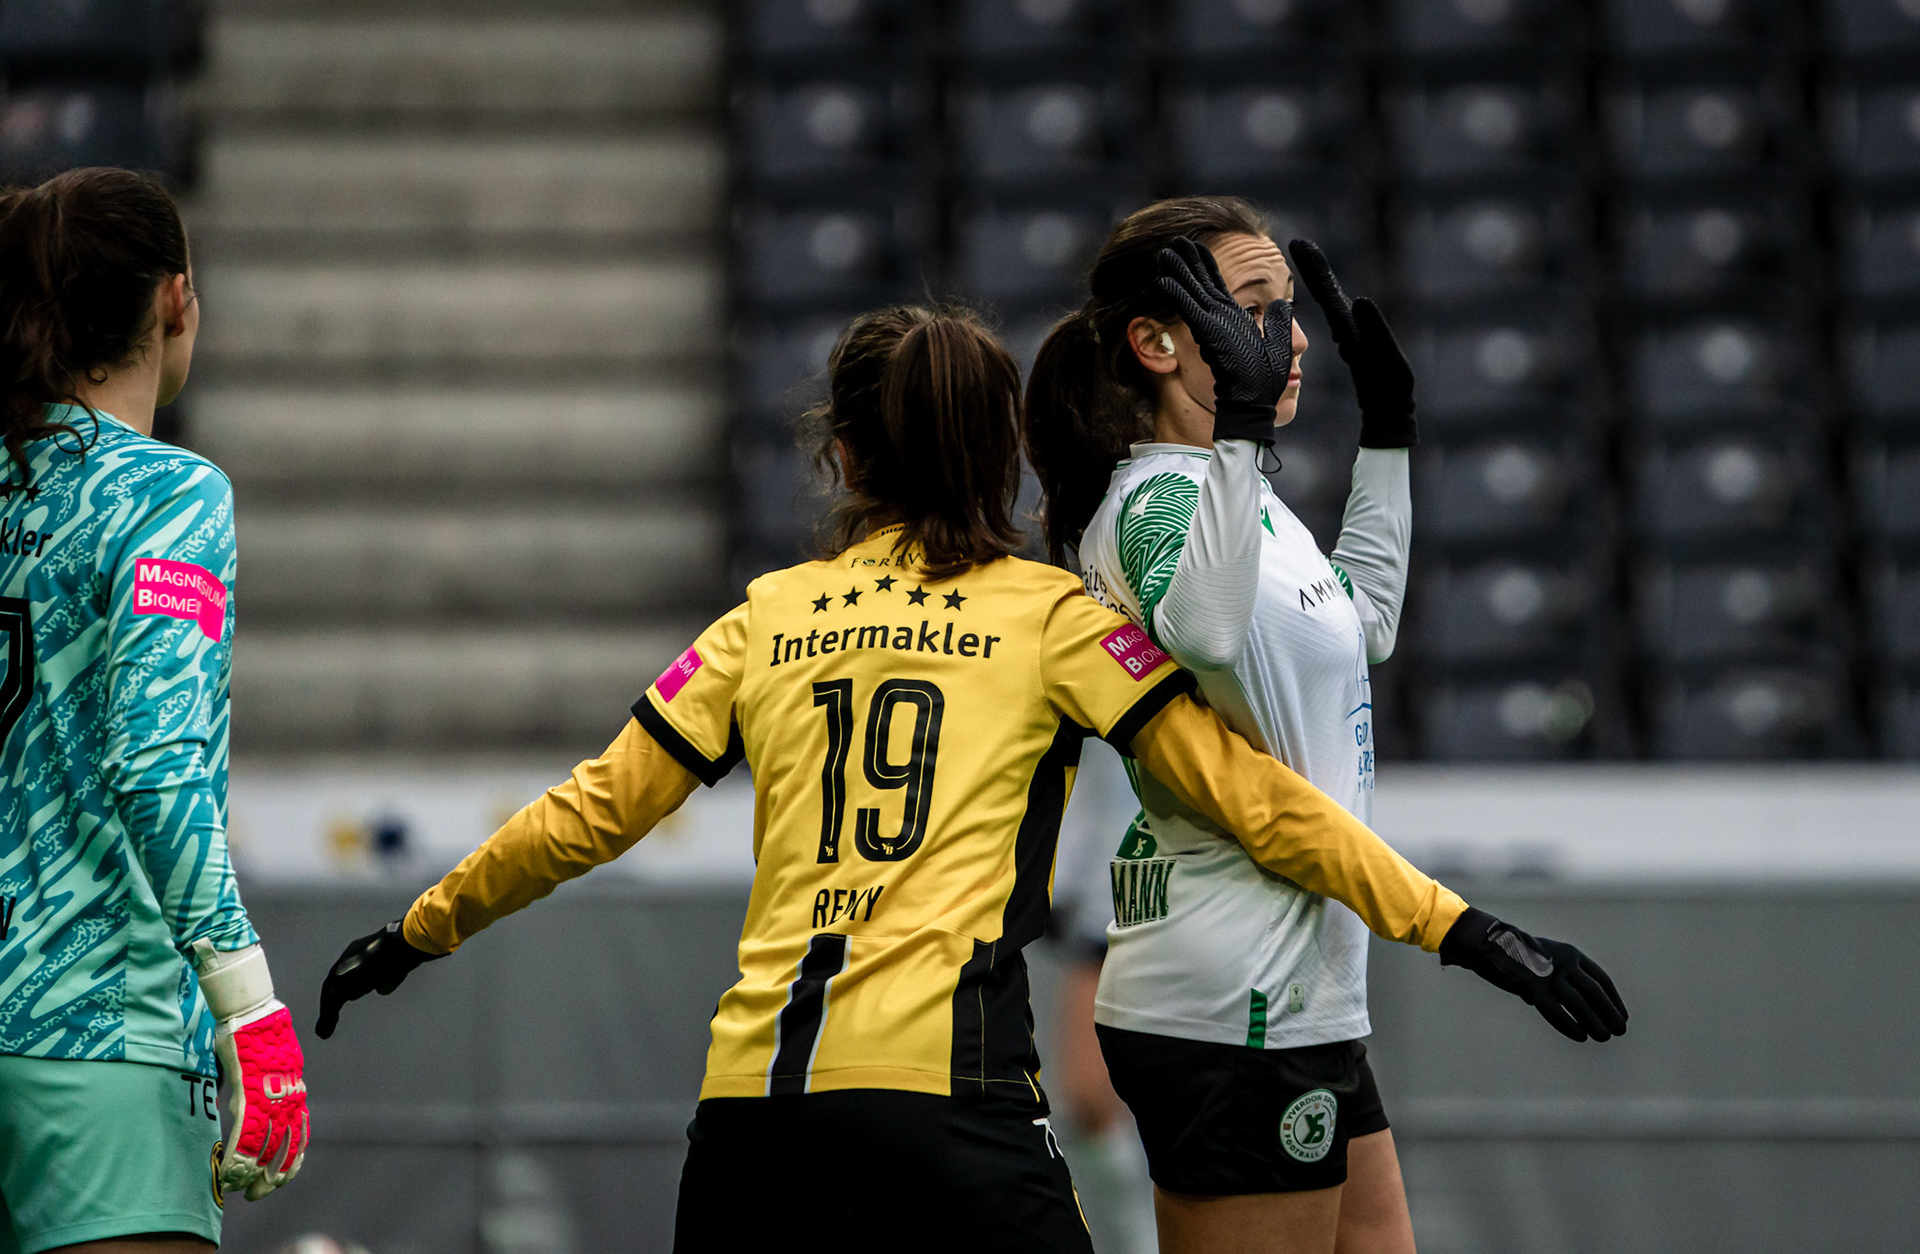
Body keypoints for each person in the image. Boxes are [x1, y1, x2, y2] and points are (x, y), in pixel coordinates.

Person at [314, 304, 1623, 1254]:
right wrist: (1469, 930)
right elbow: (1261, 802)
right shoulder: (1054, 621)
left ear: (842, 452)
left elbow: (585, 814)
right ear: (1006, 446)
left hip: (756, 1128)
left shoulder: (767, 617)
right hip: (952, 1118)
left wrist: (415, 933)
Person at [1024, 197, 1623, 1254]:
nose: (1292, 337)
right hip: (1229, 991)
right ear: (1157, 343)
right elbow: (1207, 632)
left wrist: (1387, 434)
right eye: (1254, 308)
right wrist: (1245, 431)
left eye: (1289, 310)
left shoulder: (1243, 499)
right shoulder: (1162, 504)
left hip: (1299, 982)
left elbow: (1367, 623)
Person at [0, 167, 309, 1254]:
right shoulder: (171, 495)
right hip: (96, 1040)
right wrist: (251, 1010)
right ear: (176, 299)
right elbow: (158, 769)